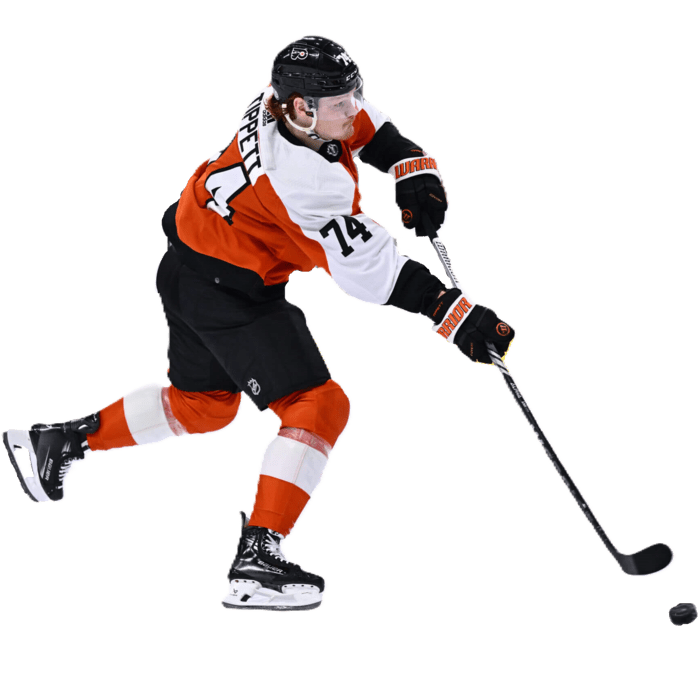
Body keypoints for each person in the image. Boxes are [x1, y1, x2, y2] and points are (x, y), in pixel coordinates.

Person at [2, 35, 516, 613]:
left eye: (353, 94)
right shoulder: (305, 184)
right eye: (339, 103)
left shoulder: (277, 100)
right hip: (227, 293)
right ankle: (257, 560)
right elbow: (373, 273)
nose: (353, 109)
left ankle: (59, 440)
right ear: (301, 108)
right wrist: (454, 314)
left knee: (203, 407)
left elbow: (362, 125)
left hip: (189, 264)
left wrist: (408, 163)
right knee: (319, 406)